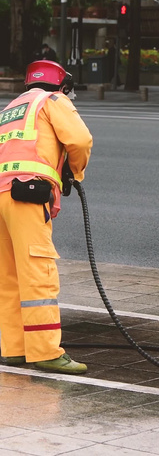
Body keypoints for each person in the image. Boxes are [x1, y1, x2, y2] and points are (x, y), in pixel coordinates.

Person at [0, 60, 93, 374]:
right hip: (27, 194)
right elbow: (80, 141)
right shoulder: (53, 101)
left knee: (9, 276)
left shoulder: (13, 106)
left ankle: (15, 349)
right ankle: (45, 352)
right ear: (62, 85)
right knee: (38, 272)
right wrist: (73, 172)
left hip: (0, 195)